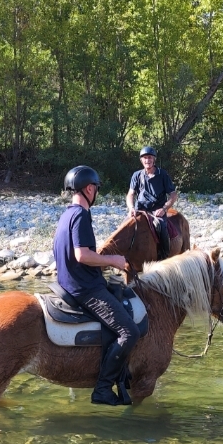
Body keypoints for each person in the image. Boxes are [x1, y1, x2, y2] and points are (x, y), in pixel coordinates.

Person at [55, 165, 139, 406]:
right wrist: (113, 261)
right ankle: (102, 389)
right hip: (85, 289)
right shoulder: (81, 215)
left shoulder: (66, 214)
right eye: (96, 189)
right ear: (89, 189)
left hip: (70, 283)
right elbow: (82, 255)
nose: (96, 193)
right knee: (129, 331)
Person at [127, 146, 179, 258]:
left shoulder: (163, 174)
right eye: (145, 158)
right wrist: (131, 208)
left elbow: (173, 195)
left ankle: (163, 255)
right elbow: (131, 194)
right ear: (141, 160)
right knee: (125, 225)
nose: (147, 160)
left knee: (160, 225)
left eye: (149, 157)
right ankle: (123, 255)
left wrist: (164, 209)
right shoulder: (137, 175)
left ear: (154, 159)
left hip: (157, 210)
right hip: (140, 209)